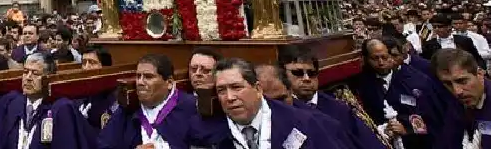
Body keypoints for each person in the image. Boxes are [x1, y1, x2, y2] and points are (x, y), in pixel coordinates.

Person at [190, 57, 347, 148]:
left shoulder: (303, 123)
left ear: (257, 89)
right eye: (222, 90)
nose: (230, 97)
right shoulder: (202, 132)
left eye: (237, 87)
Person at [0, 53, 92, 149]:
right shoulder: (13, 104)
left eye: (35, 73)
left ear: (49, 78)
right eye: (25, 72)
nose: (28, 78)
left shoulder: (60, 109)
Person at [99, 54, 198, 148]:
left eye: (148, 77)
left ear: (169, 83)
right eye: (138, 76)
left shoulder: (190, 107)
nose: (140, 82)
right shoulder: (127, 108)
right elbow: (104, 145)